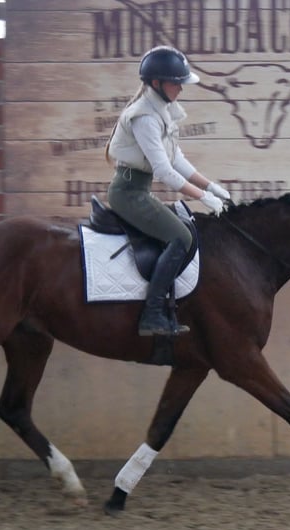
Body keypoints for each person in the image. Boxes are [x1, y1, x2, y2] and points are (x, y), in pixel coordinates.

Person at [104, 45, 230, 337]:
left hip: (139, 189)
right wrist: (202, 198)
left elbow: (177, 159)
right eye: (176, 83)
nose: (181, 89)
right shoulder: (145, 117)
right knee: (181, 237)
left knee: (184, 230)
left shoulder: (161, 109)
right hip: (128, 193)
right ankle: (152, 314)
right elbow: (163, 172)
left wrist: (210, 185)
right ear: (157, 84)